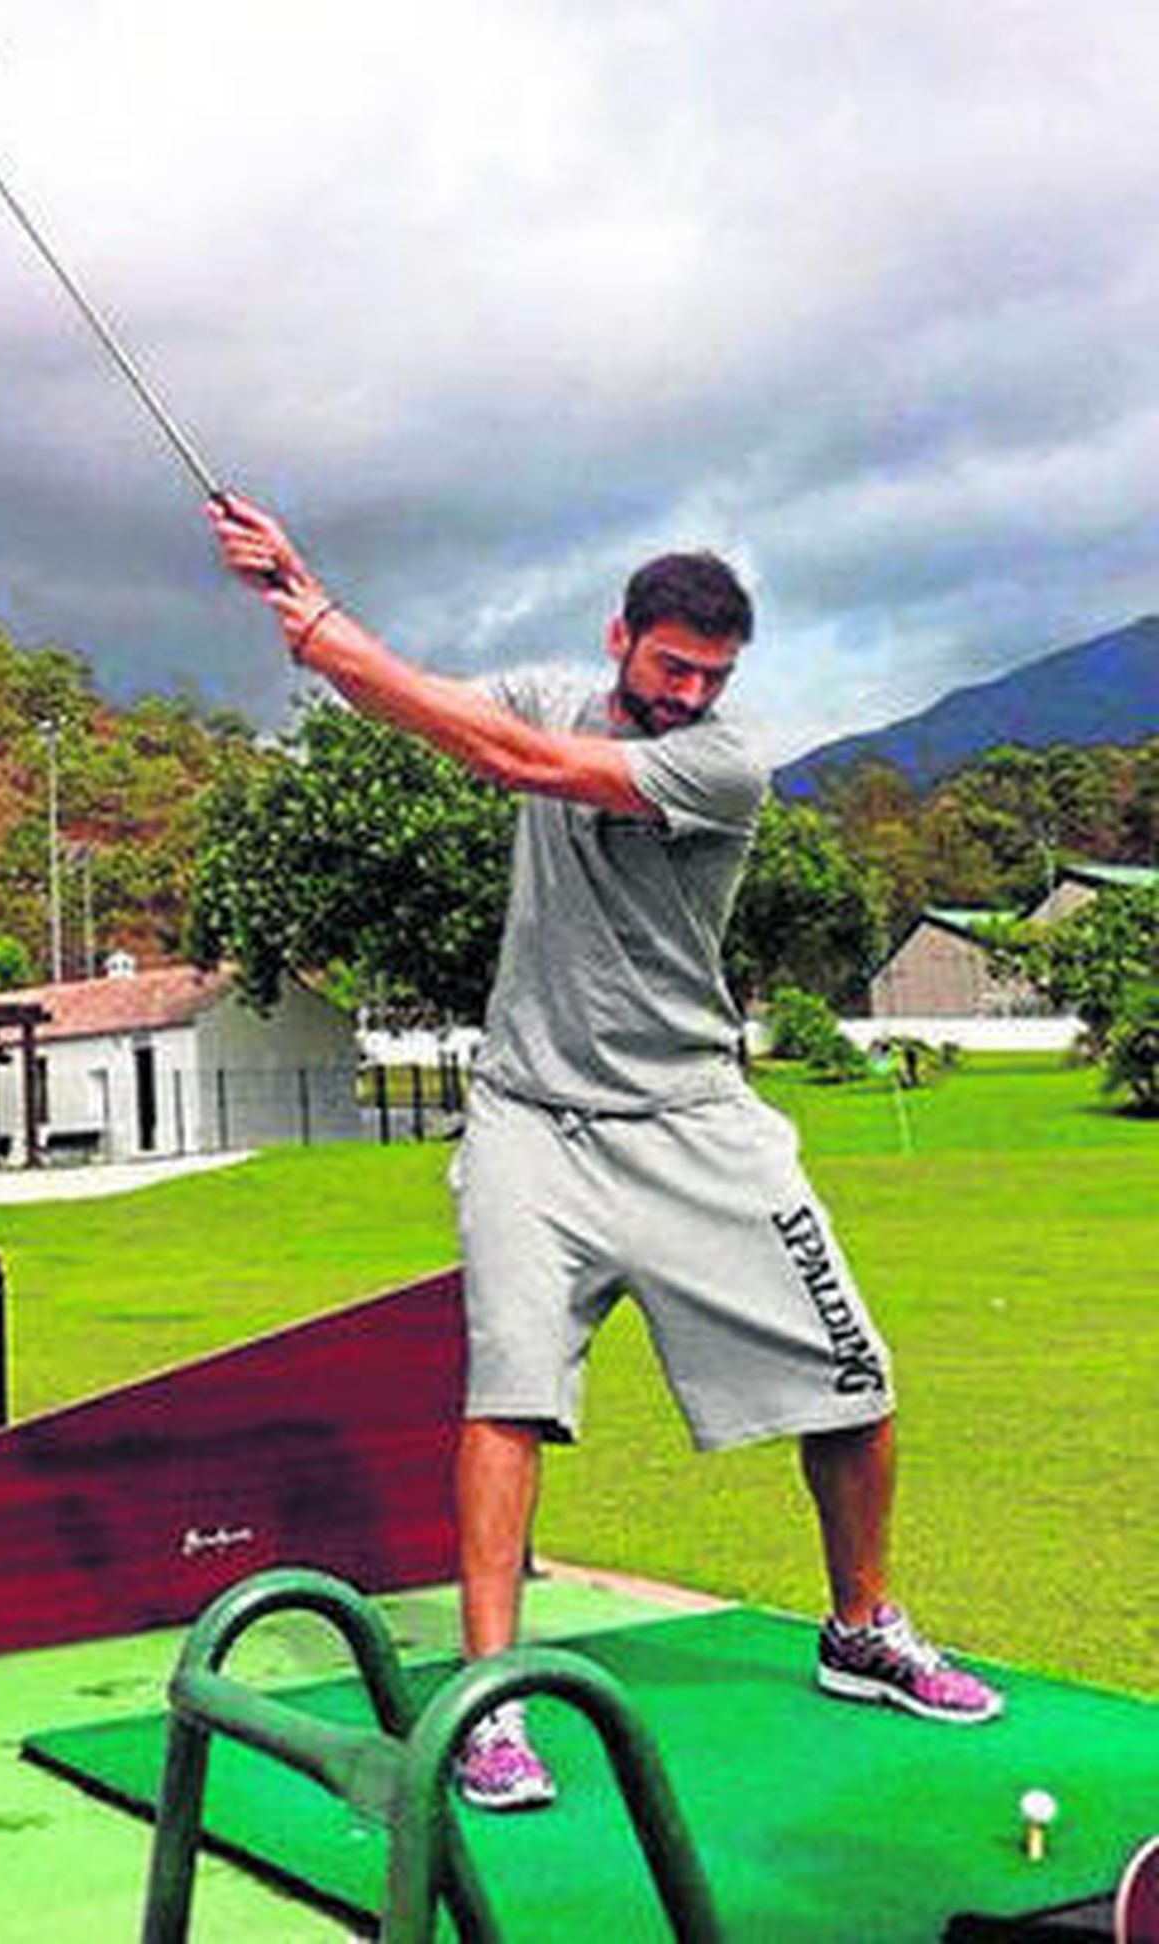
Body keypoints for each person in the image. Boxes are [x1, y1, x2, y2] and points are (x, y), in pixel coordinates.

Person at [209, 493, 1003, 1811]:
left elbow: (522, 768)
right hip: (531, 1120)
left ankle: (860, 1626)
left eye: (713, 675)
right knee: (506, 1394)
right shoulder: (545, 693)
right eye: (670, 665)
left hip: (695, 1118)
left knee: (856, 1383)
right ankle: (488, 1706)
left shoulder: (725, 766)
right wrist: (302, 597)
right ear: (618, 635)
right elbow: (435, 716)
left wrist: (334, 637)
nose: (690, 693)